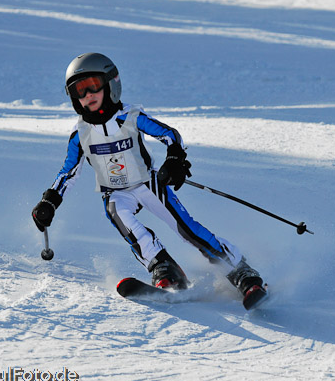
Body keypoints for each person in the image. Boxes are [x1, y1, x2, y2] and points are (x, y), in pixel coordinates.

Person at [32, 52, 265, 303]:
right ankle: (162, 267)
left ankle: (241, 271)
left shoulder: (130, 117)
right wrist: (50, 201)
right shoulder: (80, 135)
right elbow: (68, 172)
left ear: (111, 84)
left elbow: (169, 134)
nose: (87, 94)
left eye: (93, 86)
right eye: (79, 90)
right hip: (115, 192)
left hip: (147, 183)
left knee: (187, 229)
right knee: (119, 216)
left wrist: (174, 159)